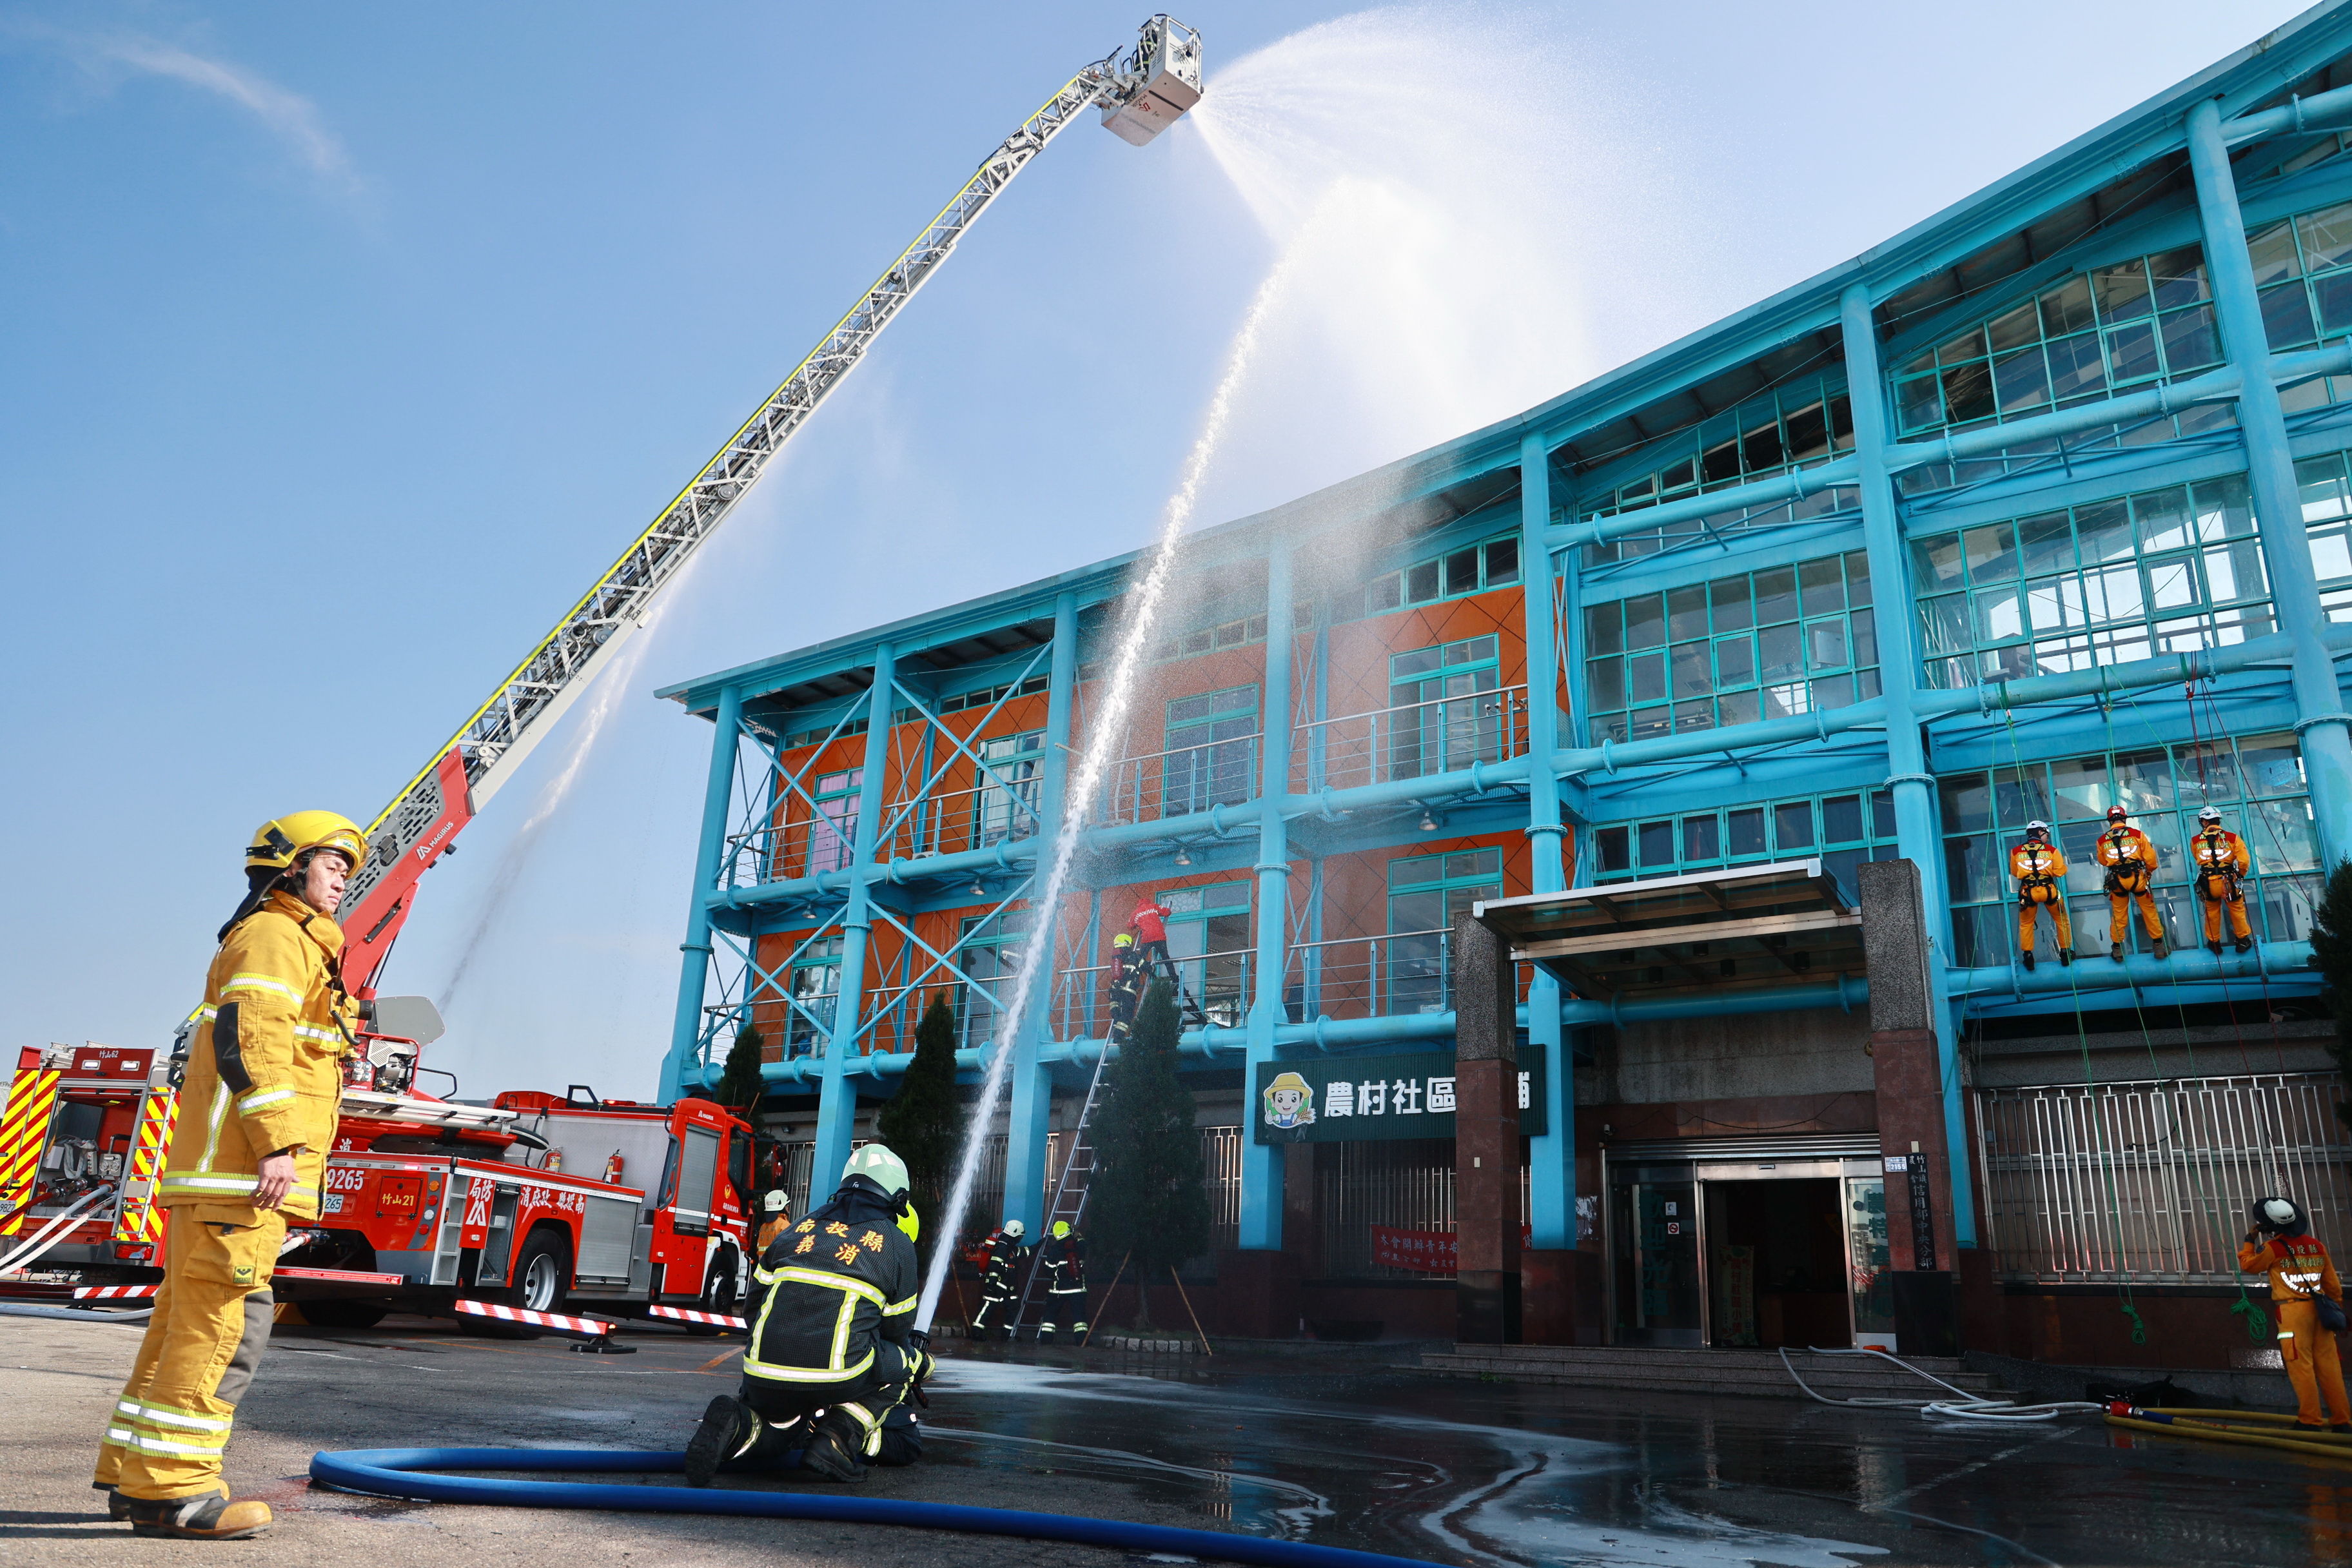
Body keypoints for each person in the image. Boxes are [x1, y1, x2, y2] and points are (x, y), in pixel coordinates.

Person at [98, 812, 368, 1540]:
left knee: (182, 1326)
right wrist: (279, 1143)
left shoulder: (283, 939)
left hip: (220, 1177)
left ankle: (137, 1476)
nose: (344, 873)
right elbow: (252, 1038)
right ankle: (176, 1493)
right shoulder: (279, 937)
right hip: (243, 1177)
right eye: (331, 861)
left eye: (349, 864)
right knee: (226, 1329)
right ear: (289, 867)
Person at [685, 1144, 934, 1485]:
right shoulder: (895, 1242)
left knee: (780, 1433)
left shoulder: (797, 1229)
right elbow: (897, 1331)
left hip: (762, 1371)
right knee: (904, 1363)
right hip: (837, 1375)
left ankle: (738, 1425)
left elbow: (754, 1307)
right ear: (898, 1197)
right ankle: (837, 1440)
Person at [2238, 1197, 2350, 1433]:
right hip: (2322, 1310)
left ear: (2270, 1226)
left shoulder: (2273, 1249)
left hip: (2291, 1312)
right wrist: (2335, 1309)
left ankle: (2310, 1421)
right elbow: (2333, 1287)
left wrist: (2249, 1242)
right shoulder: (2317, 1246)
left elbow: (2249, 1266)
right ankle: (2342, 1421)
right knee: (2330, 1368)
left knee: (2301, 1367)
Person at [2093, 805, 2167, 963]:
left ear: (2109, 821)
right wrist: (2148, 873)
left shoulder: (2101, 841)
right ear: (2124, 818)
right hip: (2138, 878)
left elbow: (2103, 860)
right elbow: (2151, 860)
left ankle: (2117, 949)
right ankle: (2159, 946)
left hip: (2117, 881)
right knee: (2149, 911)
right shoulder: (2137, 835)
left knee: (2119, 916)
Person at [2190, 805, 2255, 956]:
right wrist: (2241, 875)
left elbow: (2196, 857)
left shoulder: (2195, 841)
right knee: (2237, 909)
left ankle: (2214, 943)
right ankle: (2242, 941)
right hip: (2229, 881)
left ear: (2205, 822)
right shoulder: (2233, 838)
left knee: (2212, 911)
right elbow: (2244, 861)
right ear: (2218, 820)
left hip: (2208, 882)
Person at [2008, 820, 2072, 972]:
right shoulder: (2052, 850)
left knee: (2026, 924)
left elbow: (2015, 873)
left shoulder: (2016, 851)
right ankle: (2065, 953)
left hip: (2028, 893)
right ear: (2040, 832)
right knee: (2062, 921)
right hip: (2049, 891)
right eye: (2046, 835)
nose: (2047, 839)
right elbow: (2060, 872)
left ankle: (2028, 957)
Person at [970, 1217, 1027, 1338]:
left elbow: (1024, 1252)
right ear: (1015, 1234)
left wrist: (1040, 1244)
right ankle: (976, 1332)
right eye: (1020, 1236)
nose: (1020, 1239)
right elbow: (994, 1265)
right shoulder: (1002, 1247)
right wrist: (992, 1283)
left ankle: (1006, 1335)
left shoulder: (1010, 1247)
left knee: (1013, 1306)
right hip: (996, 1285)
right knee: (988, 1308)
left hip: (1006, 1286)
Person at [1036, 1220, 1089, 1344]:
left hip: (1058, 1290)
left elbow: (1048, 1272)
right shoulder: (1078, 1246)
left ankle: (1046, 1342)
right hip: (1077, 1289)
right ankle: (1082, 1342)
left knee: (1050, 1316)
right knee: (1079, 1318)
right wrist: (1078, 1235)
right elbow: (1083, 1245)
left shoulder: (1053, 1251)